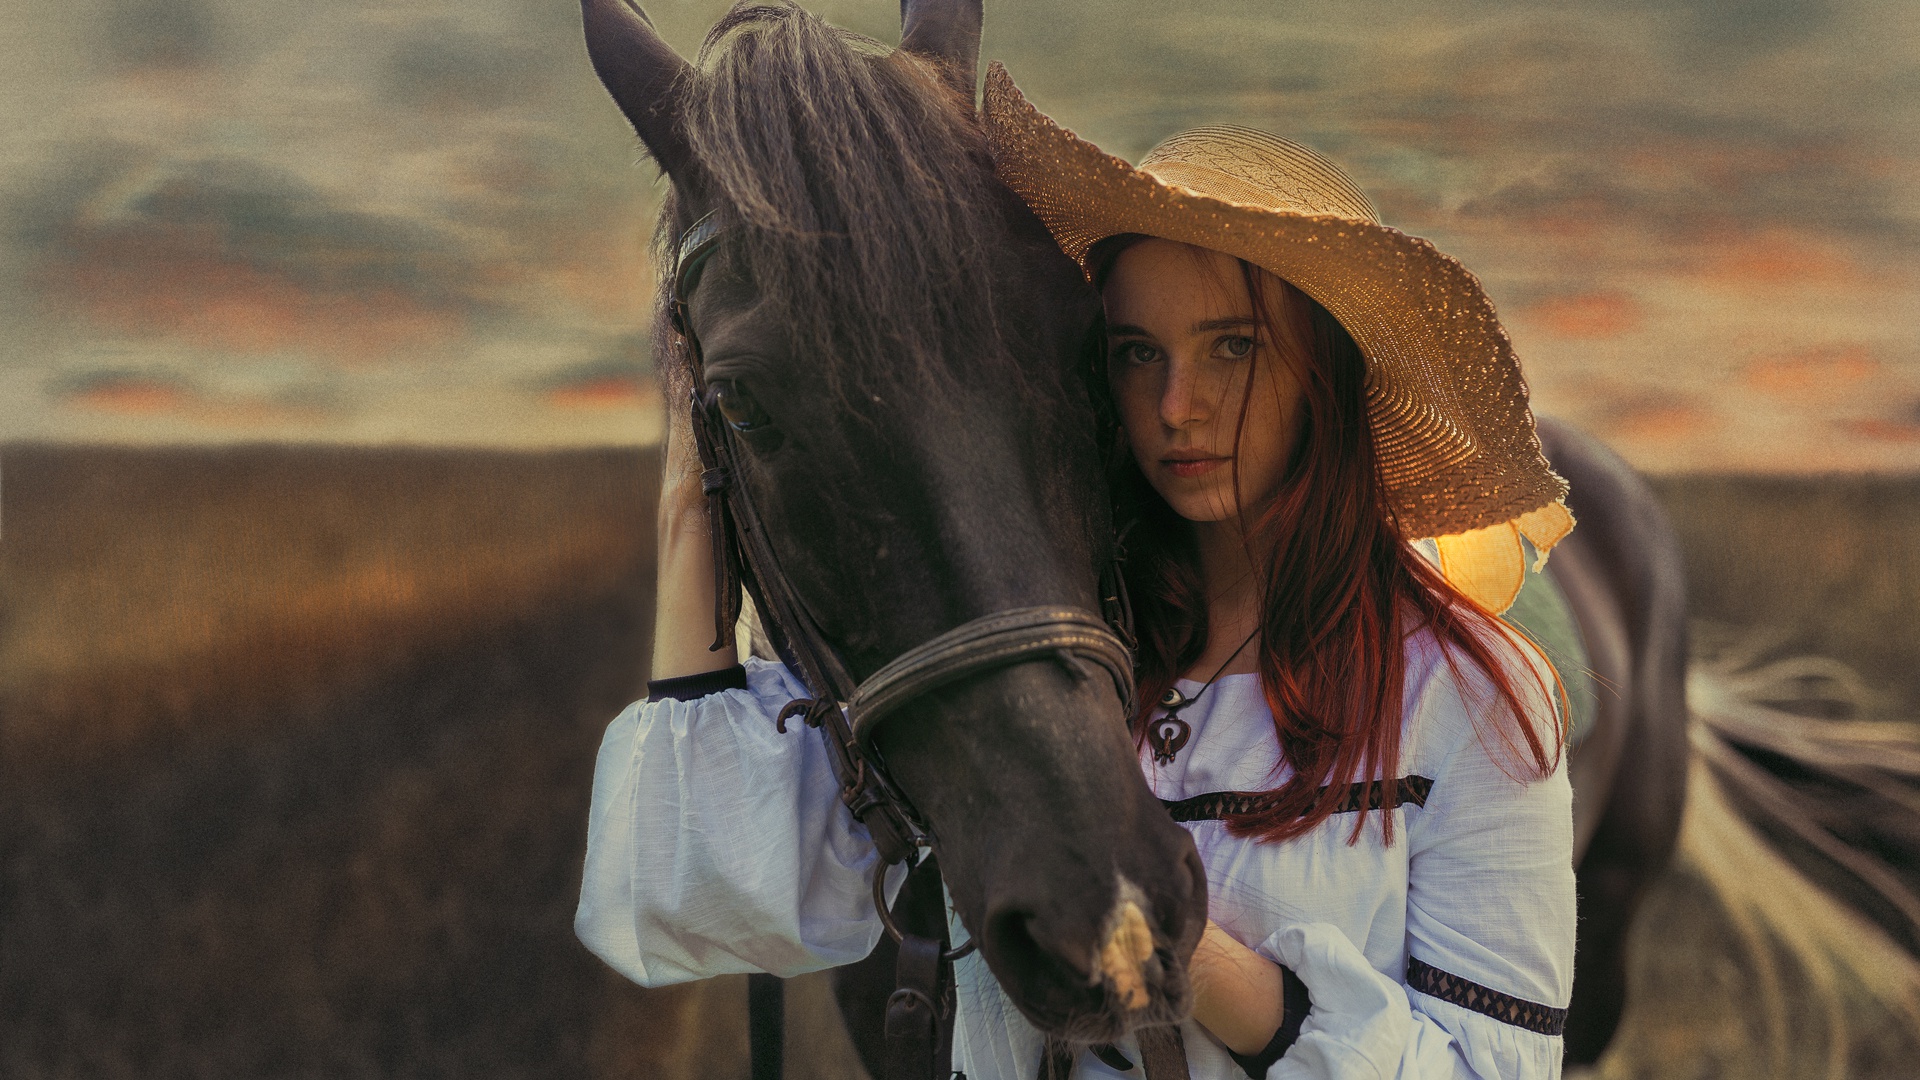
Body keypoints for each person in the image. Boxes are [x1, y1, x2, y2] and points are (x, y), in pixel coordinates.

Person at [577, 60, 1580, 1080]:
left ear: (1324, 369)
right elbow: (701, 900)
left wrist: (1194, 960)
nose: (1178, 404)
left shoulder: (1467, 696)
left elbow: (1495, 1070)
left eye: (1231, 348)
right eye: (1138, 351)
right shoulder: (1022, 635)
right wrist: (688, 500)